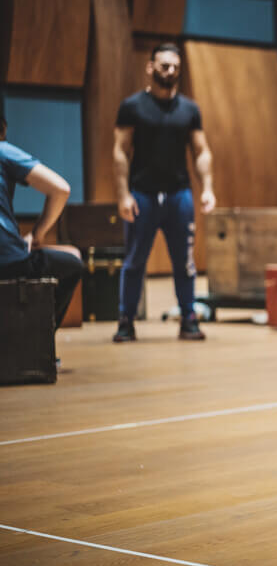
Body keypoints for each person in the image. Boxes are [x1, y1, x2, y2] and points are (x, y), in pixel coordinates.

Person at [112, 42, 216, 342]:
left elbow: (201, 151)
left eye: (175, 67)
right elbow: (120, 152)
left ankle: (189, 319)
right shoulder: (132, 107)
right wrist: (123, 195)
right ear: (150, 67)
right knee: (134, 262)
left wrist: (207, 188)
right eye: (164, 66)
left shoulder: (189, 109)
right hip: (142, 195)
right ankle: (126, 321)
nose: (170, 71)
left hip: (179, 196)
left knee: (184, 262)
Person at [0, 113, 84, 333]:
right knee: (73, 263)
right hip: (8, 263)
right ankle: (40, 341)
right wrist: (37, 234)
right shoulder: (3, 150)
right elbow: (60, 189)